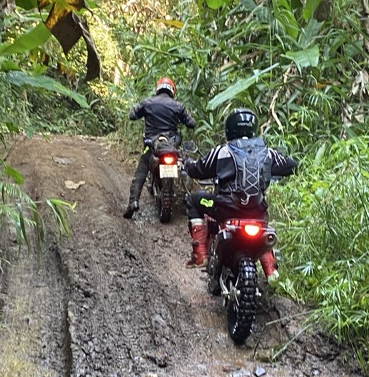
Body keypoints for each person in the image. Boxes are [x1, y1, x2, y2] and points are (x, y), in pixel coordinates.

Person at [183, 107, 297, 269]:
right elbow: (292, 166)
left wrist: (188, 165)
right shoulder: (267, 152)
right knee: (264, 228)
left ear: (229, 128)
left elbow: (199, 170)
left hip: (225, 209)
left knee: (194, 200)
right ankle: (271, 270)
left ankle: (200, 254)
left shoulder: (223, 151)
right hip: (257, 211)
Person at [123, 76, 196, 219]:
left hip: (152, 146)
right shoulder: (178, 106)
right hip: (171, 146)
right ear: (172, 90)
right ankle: (188, 200)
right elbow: (191, 123)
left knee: (141, 172)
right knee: (185, 166)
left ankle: (133, 202)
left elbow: (132, 115)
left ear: (157, 89)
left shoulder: (148, 103)